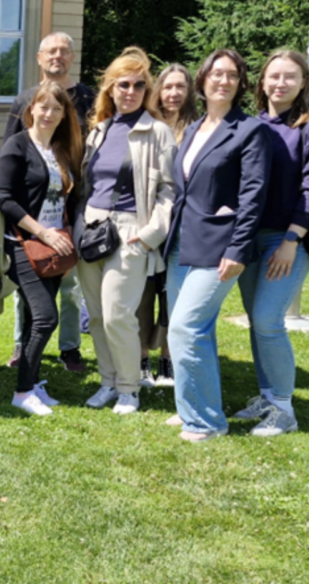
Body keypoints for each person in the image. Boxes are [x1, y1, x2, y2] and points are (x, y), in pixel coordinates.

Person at [232, 49, 309, 437]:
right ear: (262, 81)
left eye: (289, 77)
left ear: (302, 83)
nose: (280, 83)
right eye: (274, 76)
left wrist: (293, 238)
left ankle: (283, 410)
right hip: (250, 239)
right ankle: (267, 395)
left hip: (287, 239)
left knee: (267, 319)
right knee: (256, 323)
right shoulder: (253, 125)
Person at [163, 49, 270, 442]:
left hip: (220, 246)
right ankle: (191, 405)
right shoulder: (193, 129)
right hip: (181, 244)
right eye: (216, 74)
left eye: (232, 75)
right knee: (197, 331)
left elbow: (253, 195)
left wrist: (238, 249)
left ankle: (206, 422)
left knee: (186, 329)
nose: (223, 81)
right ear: (202, 81)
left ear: (241, 83)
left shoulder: (250, 130)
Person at [75, 49, 177, 415]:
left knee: (119, 313)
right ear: (110, 89)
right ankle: (107, 382)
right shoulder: (99, 130)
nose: (130, 91)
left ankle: (129, 388)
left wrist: (151, 233)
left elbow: (169, 190)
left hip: (132, 229)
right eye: (123, 84)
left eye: (138, 85)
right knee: (98, 315)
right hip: (92, 227)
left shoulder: (158, 131)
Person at [3, 32, 94, 372]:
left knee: (70, 285)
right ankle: (21, 346)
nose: (58, 56)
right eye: (51, 51)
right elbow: (10, 152)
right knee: (27, 289)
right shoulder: (25, 99)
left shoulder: (88, 97)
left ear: (72, 57)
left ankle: (69, 348)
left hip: (72, 206)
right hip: (32, 214)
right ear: (39, 58)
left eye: (64, 51)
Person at [0, 82, 83, 415]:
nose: (48, 114)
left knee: (36, 318)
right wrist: (43, 233)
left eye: (56, 109)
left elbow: (70, 197)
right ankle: (21, 393)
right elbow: (4, 199)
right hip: (23, 243)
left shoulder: (61, 149)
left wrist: (65, 236)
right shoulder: (17, 145)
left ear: (64, 115)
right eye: (43, 107)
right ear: (31, 109)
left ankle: (31, 383)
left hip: (55, 247)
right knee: (47, 317)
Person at [137, 63, 200, 386]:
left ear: (189, 92)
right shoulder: (147, 125)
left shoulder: (198, 129)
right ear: (158, 89)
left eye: (180, 87)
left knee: (173, 296)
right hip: (150, 222)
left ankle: (168, 360)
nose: (173, 93)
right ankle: (141, 360)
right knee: (143, 296)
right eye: (168, 86)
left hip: (184, 227)